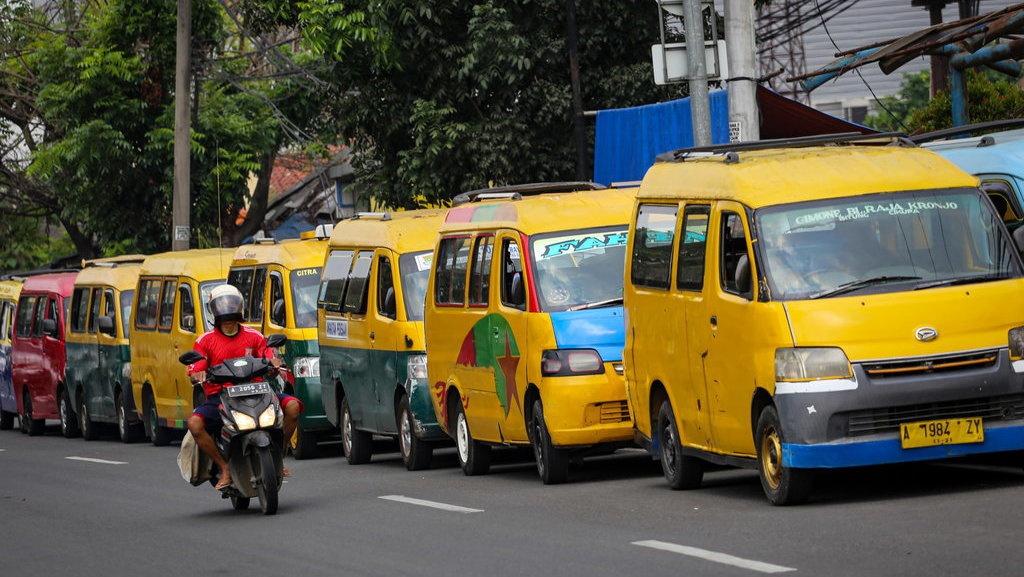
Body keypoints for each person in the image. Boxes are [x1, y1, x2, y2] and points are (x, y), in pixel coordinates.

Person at [186, 284, 303, 490]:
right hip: (220, 398)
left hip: (258, 393)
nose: (228, 311)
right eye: (222, 305)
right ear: (214, 310)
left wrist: (274, 364)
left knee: (293, 406)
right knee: (195, 424)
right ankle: (224, 468)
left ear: (240, 307)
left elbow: (269, 355)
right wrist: (197, 373)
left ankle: (278, 456)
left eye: (232, 304)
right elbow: (196, 368)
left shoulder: (254, 336)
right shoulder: (205, 341)